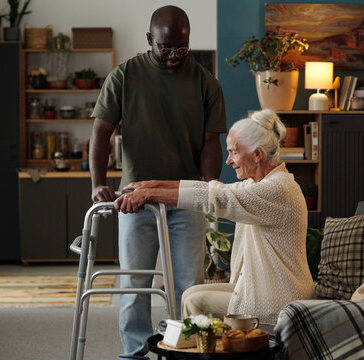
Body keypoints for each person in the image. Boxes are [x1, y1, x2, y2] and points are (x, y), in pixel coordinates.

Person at [89, 5, 227, 359]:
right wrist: (98, 183)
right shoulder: (125, 76)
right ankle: (135, 352)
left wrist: (211, 188)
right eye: (165, 49)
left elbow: (212, 141)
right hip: (135, 198)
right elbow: (101, 131)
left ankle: (184, 349)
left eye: (182, 49)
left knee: (189, 286)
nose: (173, 57)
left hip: (186, 197)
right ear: (150, 40)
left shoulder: (205, 82)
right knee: (134, 283)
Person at [116, 109, 315, 325]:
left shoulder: (277, 189)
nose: (229, 161)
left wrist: (149, 194)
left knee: (196, 302)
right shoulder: (259, 184)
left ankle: (205, 351)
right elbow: (213, 188)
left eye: (234, 152)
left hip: (278, 296)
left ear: (257, 154)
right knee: (190, 294)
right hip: (261, 286)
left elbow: (217, 198)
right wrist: (151, 185)